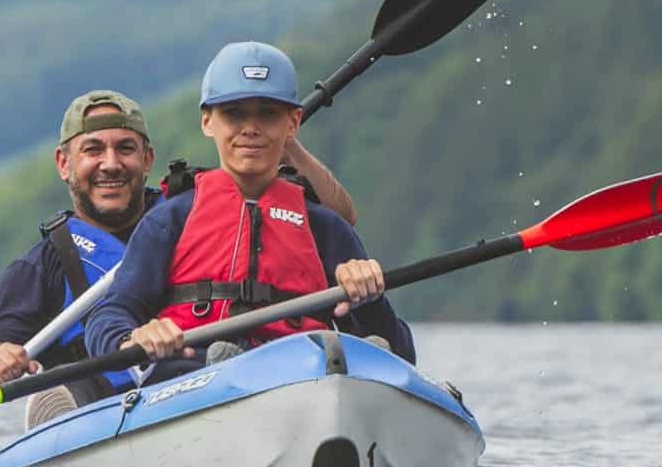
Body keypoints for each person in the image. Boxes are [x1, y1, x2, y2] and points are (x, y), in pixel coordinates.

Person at [0, 86, 359, 425]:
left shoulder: (190, 208)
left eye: (125, 149)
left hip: (203, 392)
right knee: (67, 391)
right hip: (108, 419)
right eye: (93, 150)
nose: (111, 164)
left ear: (147, 160)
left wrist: (281, 140)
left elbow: (333, 221)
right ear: (64, 163)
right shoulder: (41, 266)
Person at [84, 42, 414, 377]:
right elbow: (109, 317)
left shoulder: (324, 227)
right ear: (207, 121)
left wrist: (369, 296)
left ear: (293, 122)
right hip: (192, 374)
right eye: (234, 113)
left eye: (268, 113)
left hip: (300, 376)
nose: (251, 127)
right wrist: (132, 338)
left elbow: (402, 352)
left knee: (364, 352)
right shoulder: (171, 219)